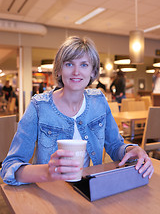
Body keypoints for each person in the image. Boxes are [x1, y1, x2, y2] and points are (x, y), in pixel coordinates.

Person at [0, 36, 153, 186]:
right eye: (69, 64)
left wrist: (132, 149)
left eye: (84, 65)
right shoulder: (39, 106)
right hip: (51, 193)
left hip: (90, 189)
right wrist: (47, 172)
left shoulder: (99, 101)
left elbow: (114, 145)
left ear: (93, 72)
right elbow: (10, 166)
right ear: (59, 70)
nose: (76, 72)